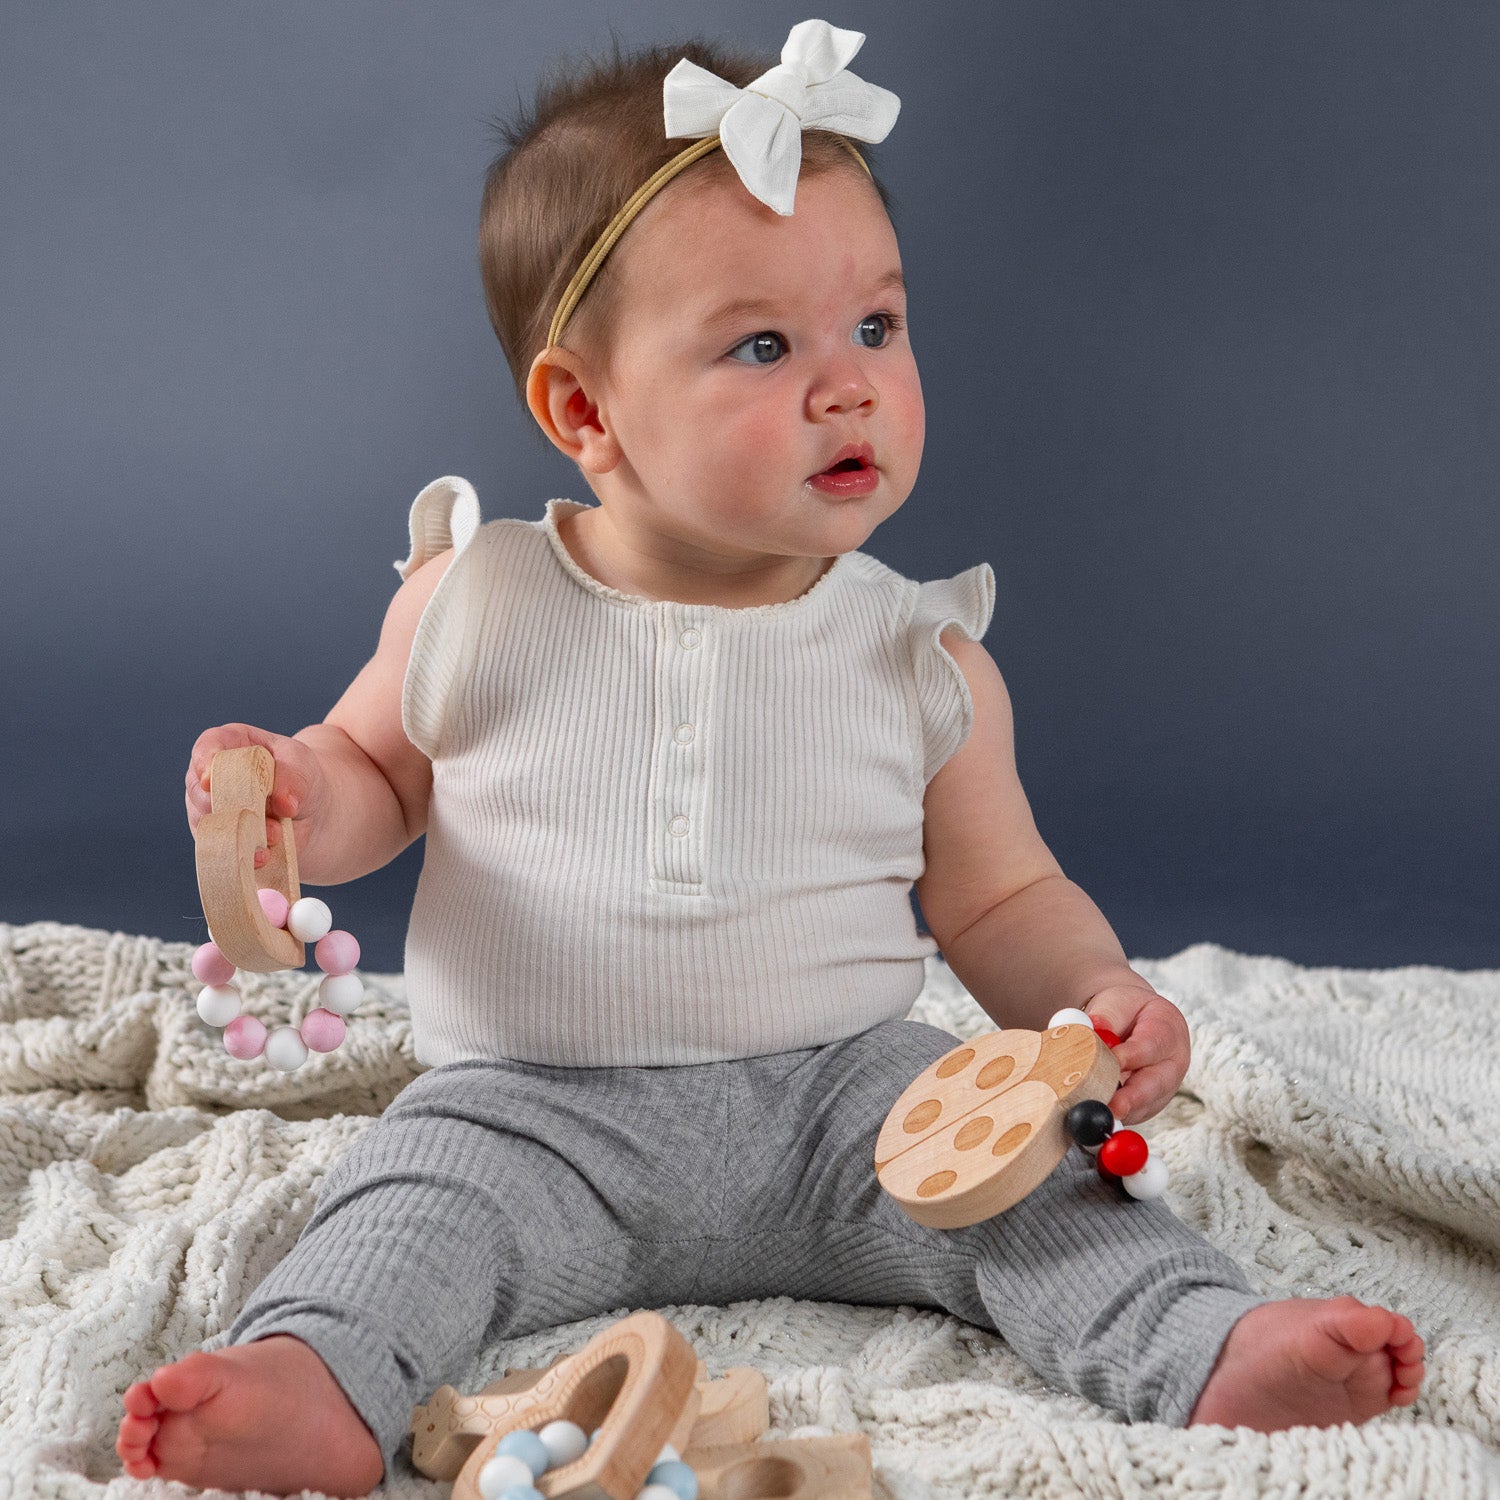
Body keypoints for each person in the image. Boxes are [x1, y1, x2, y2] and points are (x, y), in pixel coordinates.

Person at [116, 21, 1423, 1496]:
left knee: (1053, 1195)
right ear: (585, 412)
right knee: (405, 1207)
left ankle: (1204, 1345)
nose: (850, 385)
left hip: (856, 1106)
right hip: (535, 1106)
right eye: (763, 347)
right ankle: (313, 1378)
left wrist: (1091, 1004)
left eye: (877, 326)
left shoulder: (919, 657)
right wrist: (293, 792)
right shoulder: (472, 600)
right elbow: (376, 782)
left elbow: (997, 902)